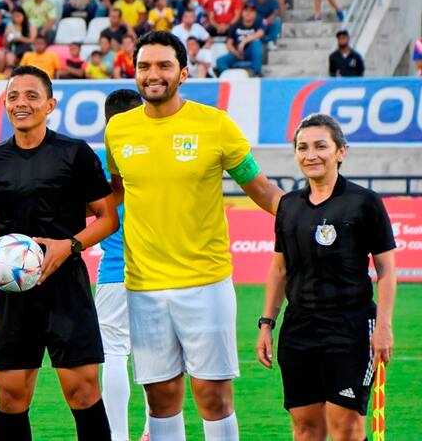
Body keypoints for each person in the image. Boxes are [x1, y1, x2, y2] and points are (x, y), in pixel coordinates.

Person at [103, 31, 283, 441]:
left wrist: (309, 214)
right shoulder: (119, 130)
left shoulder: (215, 124)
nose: (153, 74)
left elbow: (260, 188)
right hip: (143, 286)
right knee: (161, 397)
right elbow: (116, 192)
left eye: (164, 65)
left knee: (212, 396)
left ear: (183, 73)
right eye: (144, 66)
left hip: (206, 283)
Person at [0, 65, 120, 441]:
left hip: (66, 286)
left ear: (50, 105)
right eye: (13, 96)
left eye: (31, 96)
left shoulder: (74, 153)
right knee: (11, 395)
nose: (21, 103)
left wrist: (70, 245)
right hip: (12, 290)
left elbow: (107, 218)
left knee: (83, 390)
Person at [255, 113, 396, 441]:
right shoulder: (288, 206)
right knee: (306, 429)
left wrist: (384, 327)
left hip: (350, 326)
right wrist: (266, 324)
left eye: (321, 146)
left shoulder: (364, 202)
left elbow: (386, 270)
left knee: (346, 428)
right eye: (302, 147)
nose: (311, 155)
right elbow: (280, 269)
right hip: (299, 328)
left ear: (340, 152)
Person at [96, 89, 150, 441]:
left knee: (114, 353)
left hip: (114, 271)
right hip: (157, 273)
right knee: (155, 354)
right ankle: (153, 429)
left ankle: (117, 435)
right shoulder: (153, 154)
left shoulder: (99, 161)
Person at [216, 3, 265, 77]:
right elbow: (229, 43)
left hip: (250, 53)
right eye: (246, 11)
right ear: (242, 13)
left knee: (256, 42)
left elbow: (260, 33)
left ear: (255, 14)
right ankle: (231, 76)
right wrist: (235, 52)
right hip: (237, 53)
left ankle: (257, 72)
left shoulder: (258, 22)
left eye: (251, 11)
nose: (248, 13)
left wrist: (244, 42)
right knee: (220, 61)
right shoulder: (235, 25)